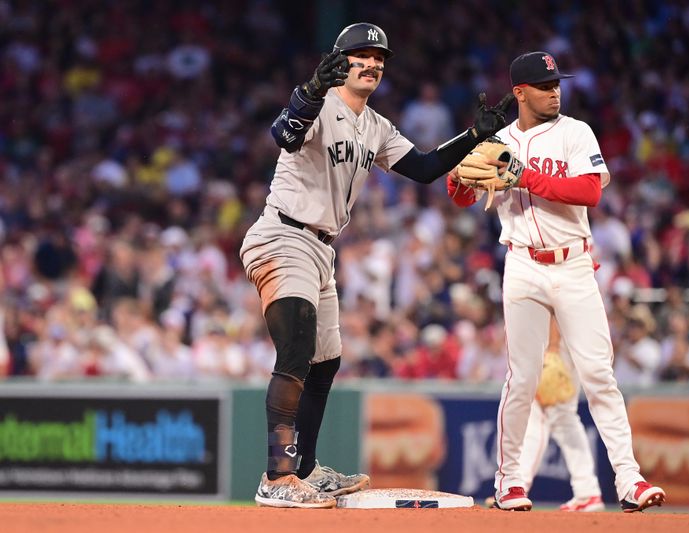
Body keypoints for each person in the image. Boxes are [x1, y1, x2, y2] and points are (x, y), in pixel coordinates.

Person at [240, 22, 512, 509]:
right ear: (339, 62)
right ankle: (276, 476)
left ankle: (305, 470)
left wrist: (475, 135)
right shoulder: (318, 103)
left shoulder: (376, 126)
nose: (372, 64)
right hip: (283, 234)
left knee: (326, 361)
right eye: (361, 56)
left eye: (379, 58)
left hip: (321, 247)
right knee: (298, 348)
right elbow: (283, 134)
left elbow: (426, 169)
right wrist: (309, 89)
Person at [447, 51, 665, 512]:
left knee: (598, 374)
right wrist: (465, 163)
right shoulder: (498, 139)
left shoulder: (575, 132)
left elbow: (588, 190)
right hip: (522, 264)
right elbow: (460, 194)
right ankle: (508, 484)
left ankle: (629, 480)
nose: (555, 91)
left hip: (572, 264)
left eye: (557, 84)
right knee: (521, 379)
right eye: (545, 86)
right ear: (521, 93)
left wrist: (522, 176)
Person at [515, 317, 605, 512]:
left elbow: (554, 297)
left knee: (540, 413)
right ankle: (587, 492)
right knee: (563, 418)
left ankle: (518, 487)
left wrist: (553, 345)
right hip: (571, 336)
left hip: (558, 341)